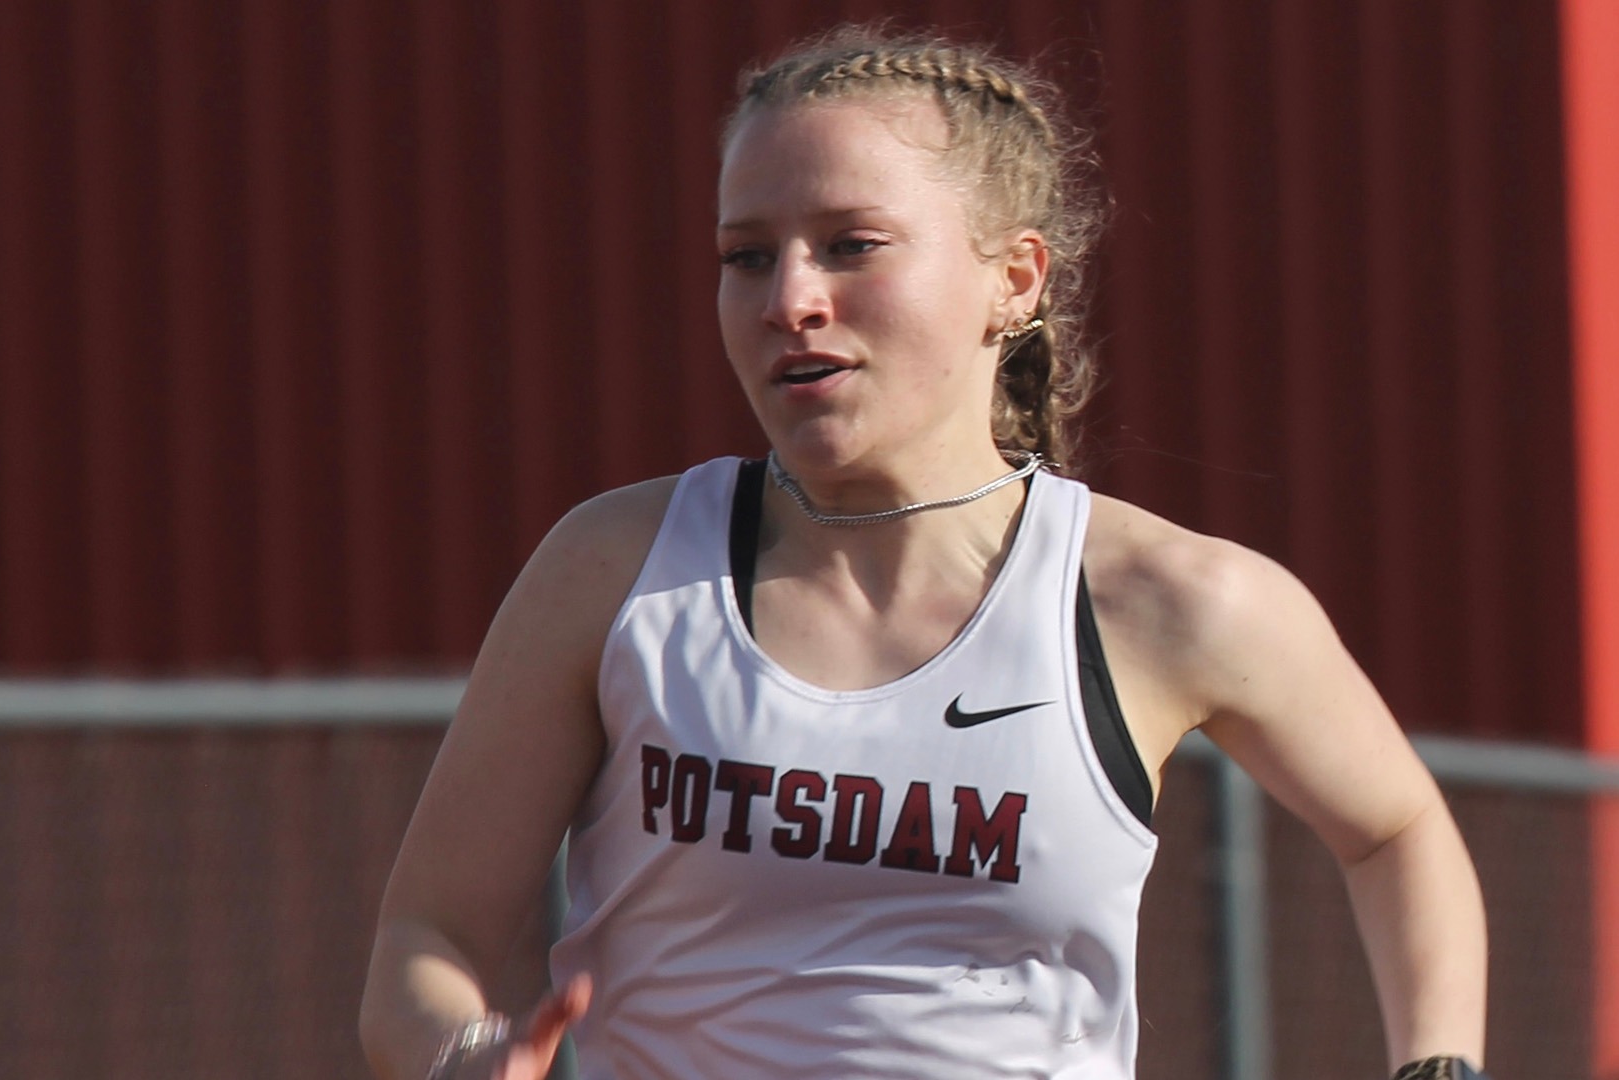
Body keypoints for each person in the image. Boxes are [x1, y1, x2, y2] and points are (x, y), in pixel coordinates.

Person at [359, 24, 1490, 1080]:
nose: (791, 299)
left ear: (1015, 279)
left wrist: (1437, 1065)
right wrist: (465, 1055)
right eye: (746, 256)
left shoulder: (1169, 598)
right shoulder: (615, 566)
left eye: (851, 245)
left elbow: (1396, 830)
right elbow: (427, 935)